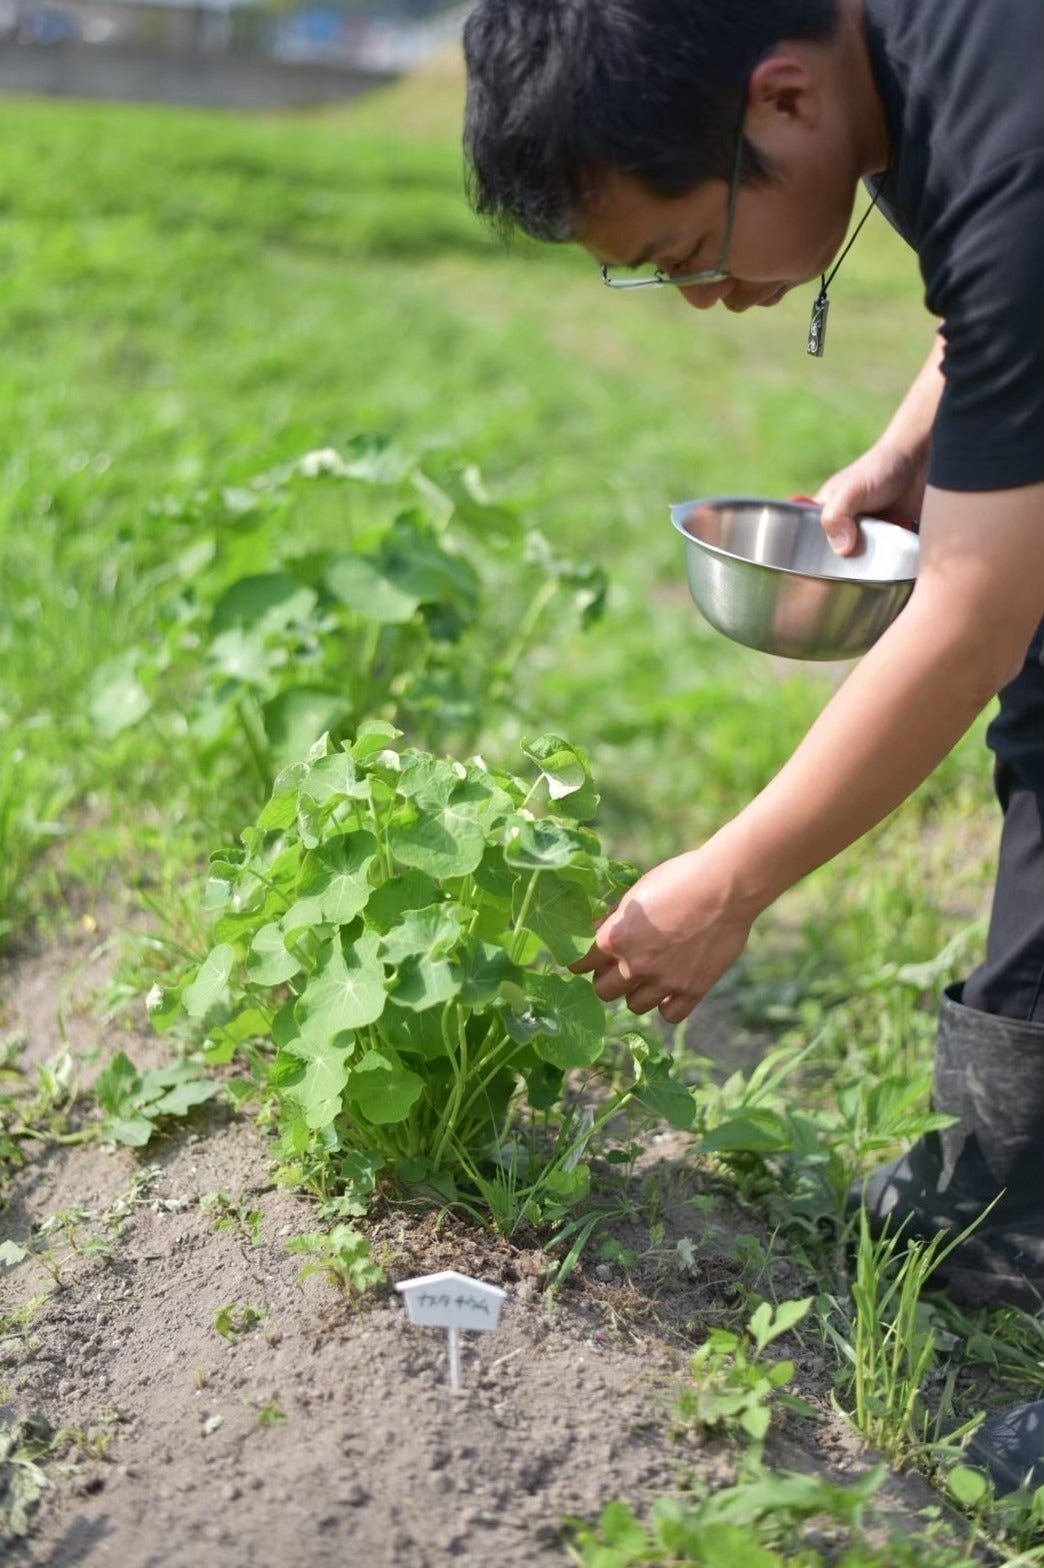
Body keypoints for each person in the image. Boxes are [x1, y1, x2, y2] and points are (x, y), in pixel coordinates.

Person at [461, 0, 1044, 1495]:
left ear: (775, 101)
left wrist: (729, 880)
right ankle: (1019, 1202)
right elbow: (1001, 299)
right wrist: (933, 438)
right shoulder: (912, 69)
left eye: (678, 252)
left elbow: (966, 617)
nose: (702, 298)